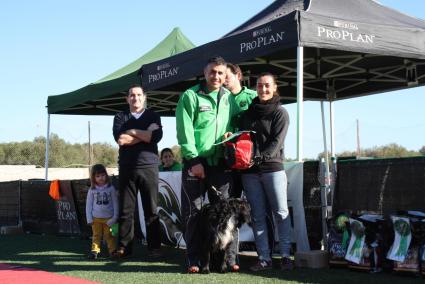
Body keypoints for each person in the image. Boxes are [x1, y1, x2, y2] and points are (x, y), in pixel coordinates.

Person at [176, 56, 238, 273]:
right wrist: (194, 160)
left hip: (220, 164)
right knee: (194, 213)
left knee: (224, 212)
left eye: (221, 73)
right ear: (205, 73)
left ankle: (227, 261)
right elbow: (184, 131)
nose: (217, 76)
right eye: (213, 72)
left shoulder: (229, 97)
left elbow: (234, 123)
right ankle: (194, 260)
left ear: (225, 74)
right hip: (196, 163)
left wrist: (231, 134)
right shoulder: (190, 96)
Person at [239, 72, 293, 271]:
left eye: (267, 85)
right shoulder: (248, 113)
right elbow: (242, 138)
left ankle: (286, 256)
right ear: (255, 87)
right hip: (250, 172)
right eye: (260, 85)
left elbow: (276, 142)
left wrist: (261, 156)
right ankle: (264, 258)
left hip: (273, 169)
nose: (263, 89)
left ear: (274, 87)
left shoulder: (280, 112)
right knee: (258, 216)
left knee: (281, 212)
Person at [112, 84, 163, 258]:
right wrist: (144, 133)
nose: (135, 98)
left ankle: (154, 248)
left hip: (149, 167)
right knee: (126, 211)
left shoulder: (153, 116)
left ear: (144, 97)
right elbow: (121, 139)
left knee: (151, 210)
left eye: (139, 95)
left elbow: (153, 137)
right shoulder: (120, 116)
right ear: (127, 98)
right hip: (126, 168)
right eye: (132, 95)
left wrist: (133, 131)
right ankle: (124, 248)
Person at [224, 63, 257, 199]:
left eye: (226, 76)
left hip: (248, 159)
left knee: (254, 200)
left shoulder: (253, 96)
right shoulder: (220, 99)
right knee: (232, 200)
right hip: (228, 158)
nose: (223, 80)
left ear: (238, 76)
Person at [85, 164, 119, 260]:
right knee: (96, 235)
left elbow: (116, 203)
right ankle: (95, 251)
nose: (101, 178)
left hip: (109, 218)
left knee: (110, 235)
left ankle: (112, 251)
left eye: (103, 175)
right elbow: (88, 205)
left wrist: (115, 218)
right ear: (93, 177)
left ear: (106, 175)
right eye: (98, 176)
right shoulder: (92, 190)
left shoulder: (111, 188)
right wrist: (89, 218)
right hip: (96, 218)